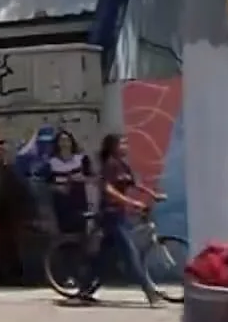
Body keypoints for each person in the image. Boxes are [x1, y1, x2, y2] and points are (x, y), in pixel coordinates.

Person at [95, 133, 167, 307]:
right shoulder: (109, 165)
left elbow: (133, 184)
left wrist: (152, 195)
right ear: (113, 146)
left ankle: (85, 288)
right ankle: (150, 293)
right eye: (123, 143)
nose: (126, 146)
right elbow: (108, 189)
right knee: (130, 253)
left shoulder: (123, 166)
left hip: (120, 215)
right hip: (110, 215)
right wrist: (132, 202)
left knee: (105, 257)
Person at [39, 131, 96, 299]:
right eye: (61, 141)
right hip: (62, 205)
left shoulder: (81, 159)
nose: (65, 143)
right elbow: (45, 183)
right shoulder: (52, 163)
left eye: (67, 140)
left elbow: (92, 177)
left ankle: (84, 279)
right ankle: (69, 276)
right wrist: (58, 188)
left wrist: (81, 179)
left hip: (79, 203)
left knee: (82, 241)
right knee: (66, 241)